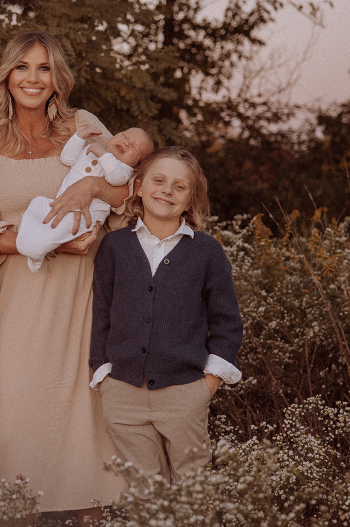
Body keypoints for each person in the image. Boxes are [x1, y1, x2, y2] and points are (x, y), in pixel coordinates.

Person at [0, 30, 129, 524]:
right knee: (20, 426)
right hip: (22, 301)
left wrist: (94, 185)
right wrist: (50, 244)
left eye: (44, 68)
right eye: (22, 67)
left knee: (88, 427)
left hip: (84, 298)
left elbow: (128, 193)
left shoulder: (85, 125)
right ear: (6, 76)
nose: (33, 78)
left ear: (58, 78)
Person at [89, 147, 244, 485]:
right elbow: (101, 311)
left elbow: (226, 320)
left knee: (193, 487)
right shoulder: (115, 246)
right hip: (123, 393)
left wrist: (209, 383)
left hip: (185, 392)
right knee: (146, 492)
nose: (167, 191)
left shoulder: (207, 251)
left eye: (179, 187)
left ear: (190, 201)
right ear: (140, 187)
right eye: (158, 181)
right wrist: (103, 373)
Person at [16, 125, 154, 272]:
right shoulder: (91, 151)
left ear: (138, 166)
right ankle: (29, 242)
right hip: (60, 205)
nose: (126, 143)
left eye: (134, 148)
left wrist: (102, 154)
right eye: (124, 136)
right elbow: (67, 158)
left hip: (84, 217)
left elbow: (116, 178)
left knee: (63, 226)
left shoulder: (124, 170)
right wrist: (79, 137)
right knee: (38, 203)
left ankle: (36, 252)